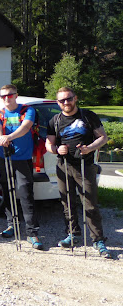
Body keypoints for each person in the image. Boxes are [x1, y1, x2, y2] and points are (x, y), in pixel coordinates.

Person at [45, 87, 113, 258]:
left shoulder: (88, 116)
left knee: (90, 203)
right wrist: (56, 150)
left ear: (75, 98)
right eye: (62, 101)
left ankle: (98, 239)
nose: (66, 103)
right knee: (67, 202)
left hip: (85, 165)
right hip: (63, 165)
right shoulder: (55, 120)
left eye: (68, 99)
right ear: (58, 102)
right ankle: (72, 234)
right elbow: (49, 144)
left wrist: (89, 148)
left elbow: (103, 137)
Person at [0, 84, 44, 250]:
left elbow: (26, 127)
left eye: (10, 95)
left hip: (22, 159)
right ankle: (11, 224)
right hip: (5, 157)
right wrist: (2, 138)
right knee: (7, 191)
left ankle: (31, 232)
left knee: (25, 193)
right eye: (3, 96)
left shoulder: (27, 110)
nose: (6, 99)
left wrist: (8, 137)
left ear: (16, 95)